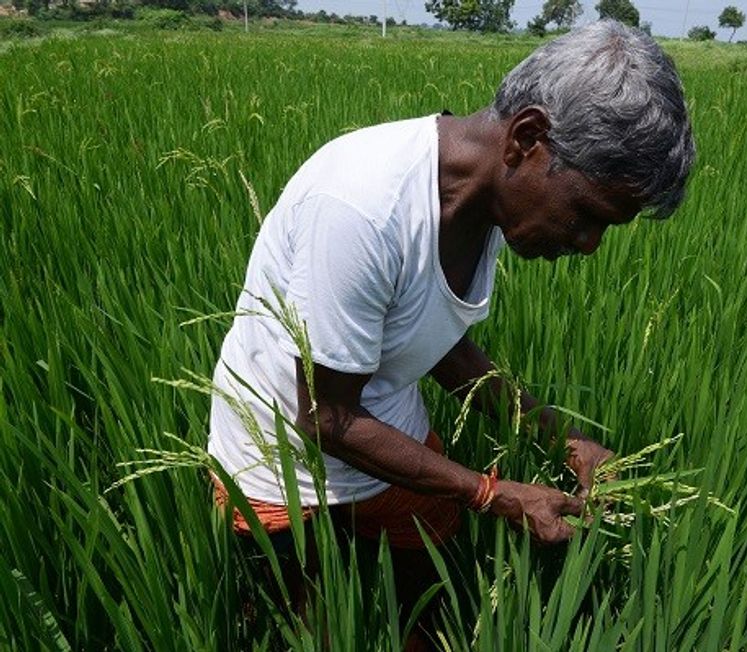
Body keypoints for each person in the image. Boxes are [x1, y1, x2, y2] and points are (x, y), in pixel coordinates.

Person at [208, 18, 694, 649]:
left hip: (387, 433)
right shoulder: (362, 208)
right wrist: (493, 493)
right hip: (283, 466)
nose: (589, 245)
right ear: (528, 137)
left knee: (429, 609)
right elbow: (325, 417)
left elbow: (436, 341)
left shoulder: (481, 199)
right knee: (314, 631)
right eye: (586, 214)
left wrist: (560, 437)